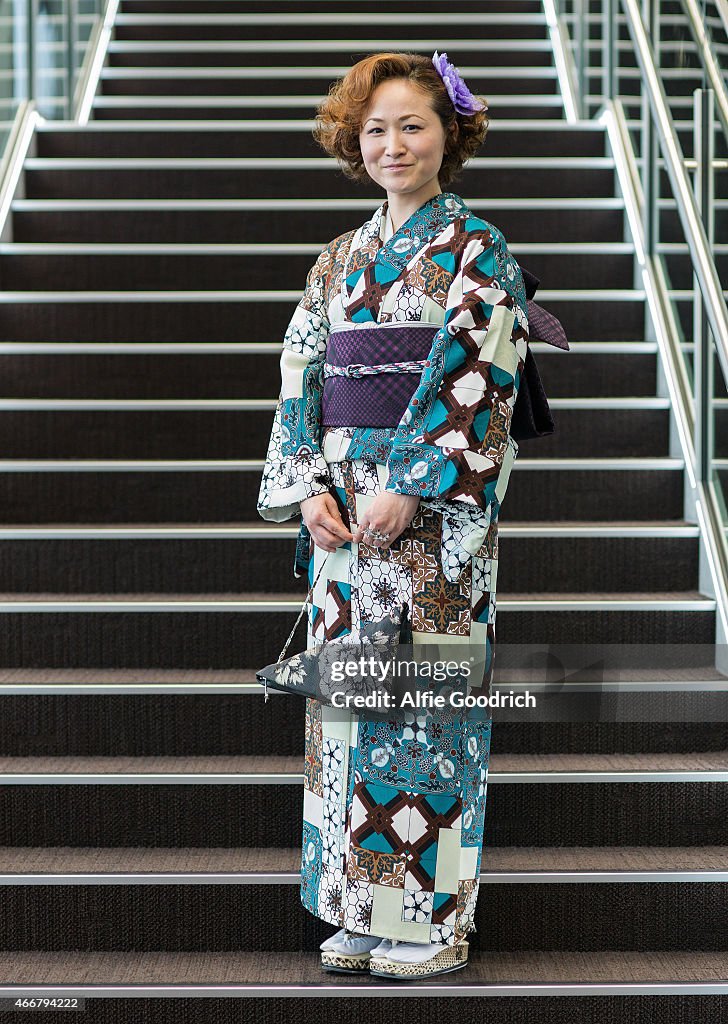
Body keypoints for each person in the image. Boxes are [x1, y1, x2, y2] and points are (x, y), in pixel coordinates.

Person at [257, 49, 529, 981]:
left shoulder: (478, 248)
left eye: (413, 123)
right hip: (345, 513)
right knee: (347, 717)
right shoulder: (339, 258)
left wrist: (414, 476)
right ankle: (358, 909)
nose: (392, 143)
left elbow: (479, 371)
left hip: (431, 523)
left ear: (449, 134)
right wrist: (308, 491)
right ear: (352, 140)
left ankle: (431, 920)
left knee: (426, 714)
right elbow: (303, 376)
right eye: (375, 127)